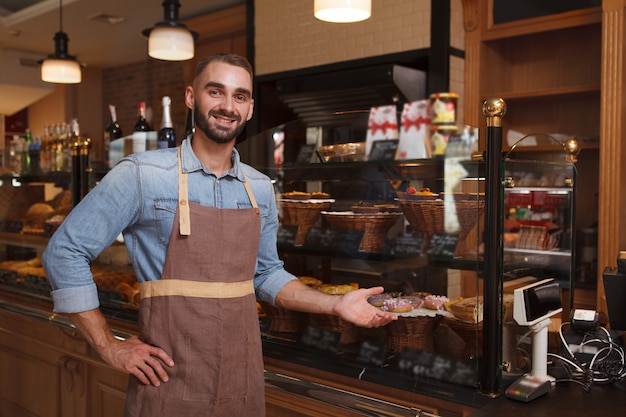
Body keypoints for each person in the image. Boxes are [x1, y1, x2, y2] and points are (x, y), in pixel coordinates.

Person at [42, 53, 397, 417]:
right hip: (166, 384)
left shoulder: (258, 188)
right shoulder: (141, 174)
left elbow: (266, 275)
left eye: (239, 96)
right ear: (191, 97)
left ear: (250, 108)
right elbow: (64, 252)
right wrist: (109, 346)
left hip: (241, 384)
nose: (228, 106)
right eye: (216, 92)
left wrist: (334, 303)